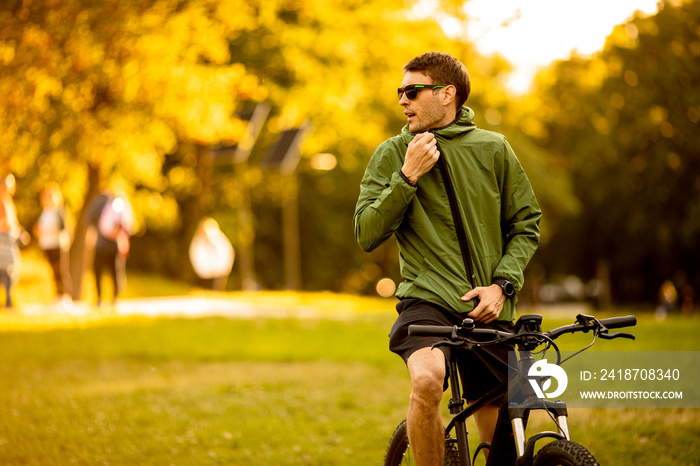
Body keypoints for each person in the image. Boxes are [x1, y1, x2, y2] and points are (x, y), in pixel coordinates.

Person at [353, 51, 541, 464]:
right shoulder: (391, 154)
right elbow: (366, 232)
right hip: (428, 300)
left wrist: (502, 285)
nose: (402, 100)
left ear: (447, 94)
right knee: (427, 380)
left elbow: (526, 223)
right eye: (400, 92)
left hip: (489, 306)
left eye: (412, 90)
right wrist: (407, 177)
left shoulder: (494, 148)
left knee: (508, 438)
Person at [85, 191, 135, 307]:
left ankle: (106, 298)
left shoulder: (110, 205)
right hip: (110, 244)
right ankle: (111, 298)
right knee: (112, 272)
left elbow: (109, 226)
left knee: (106, 272)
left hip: (107, 244)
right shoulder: (117, 205)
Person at [34, 182, 73, 309]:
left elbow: (62, 228)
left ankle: (65, 296)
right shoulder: (44, 212)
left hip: (58, 244)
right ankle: (58, 296)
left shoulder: (59, 211)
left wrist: (46, 231)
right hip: (47, 244)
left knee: (61, 270)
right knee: (53, 272)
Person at [0, 175, 29, 308]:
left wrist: (19, 231)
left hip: (10, 238)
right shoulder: (1, 201)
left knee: (11, 269)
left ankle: (9, 299)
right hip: (3, 239)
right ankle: (8, 300)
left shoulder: (9, 201)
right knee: (6, 268)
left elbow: (13, 222)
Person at [189, 217, 234, 291]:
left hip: (219, 271)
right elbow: (195, 256)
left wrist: (225, 266)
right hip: (204, 273)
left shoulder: (219, 239)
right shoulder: (198, 242)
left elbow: (227, 253)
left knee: (216, 290)